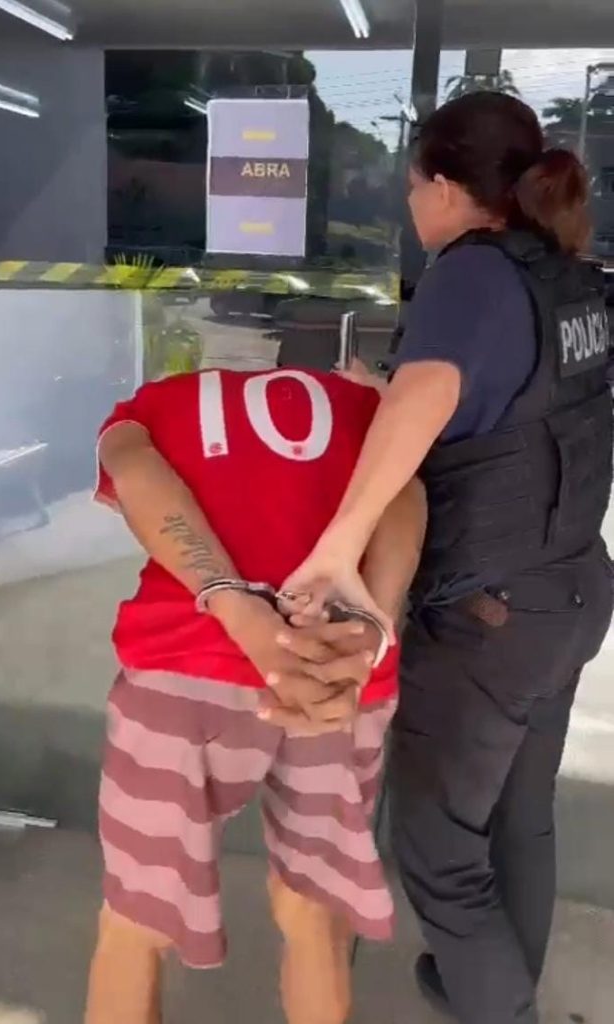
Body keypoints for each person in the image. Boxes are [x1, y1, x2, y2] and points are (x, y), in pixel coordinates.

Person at [282, 92, 614, 1024]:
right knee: (519, 817)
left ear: (446, 188)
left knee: (438, 849)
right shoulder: (565, 276)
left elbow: (432, 394)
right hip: (568, 589)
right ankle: (493, 986)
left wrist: (339, 546)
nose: (410, 207)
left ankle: (499, 1008)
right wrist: (389, 392)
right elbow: (505, 404)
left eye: (412, 187)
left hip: (489, 614)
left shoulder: (470, 273)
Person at [84, 363, 427, 1024]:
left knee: (136, 917)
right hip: (335, 673)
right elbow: (404, 493)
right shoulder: (369, 407)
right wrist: (371, 630)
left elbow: (133, 473)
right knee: (317, 912)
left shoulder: (154, 402)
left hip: (182, 668)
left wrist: (235, 607)